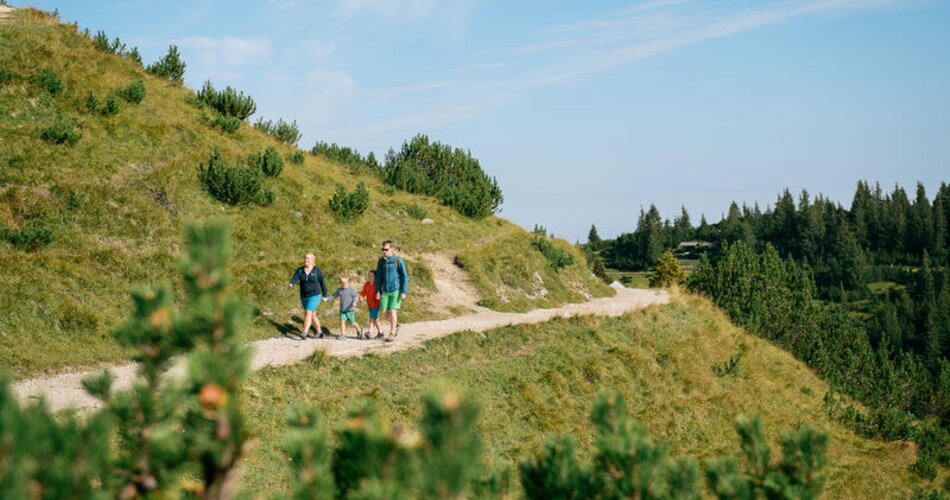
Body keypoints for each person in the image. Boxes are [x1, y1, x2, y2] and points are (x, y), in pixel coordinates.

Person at [375, 240, 409, 341]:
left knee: (393, 311)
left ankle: (392, 333)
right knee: (384, 313)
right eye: (383, 249)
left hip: (395, 290)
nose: (384, 251)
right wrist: (378, 291)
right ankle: (396, 325)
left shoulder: (397, 260)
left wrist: (403, 291)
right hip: (385, 290)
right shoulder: (381, 261)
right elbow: (379, 277)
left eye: (386, 249)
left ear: (391, 249)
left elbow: (404, 276)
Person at [288, 253, 327, 339]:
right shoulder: (300, 270)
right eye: (305, 258)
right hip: (304, 296)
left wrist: (324, 295)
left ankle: (304, 332)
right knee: (312, 315)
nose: (306, 260)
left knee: (308, 312)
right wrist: (291, 283)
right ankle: (319, 332)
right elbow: (295, 278)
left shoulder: (317, 271)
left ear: (313, 261)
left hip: (315, 295)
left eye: (308, 259)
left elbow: (322, 283)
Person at [358, 270, 383, 339]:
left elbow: (380, 293)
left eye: (372, 276)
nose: (370, 277)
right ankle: (380, 332)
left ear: (375, 277)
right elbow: (363, 292)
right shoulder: (367, 284)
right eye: (369, 275)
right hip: (370, 304)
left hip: (376, 304)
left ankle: (369, 332)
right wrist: (361, 297)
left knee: (372, 318)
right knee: (375, 318)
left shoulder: (377, 285)